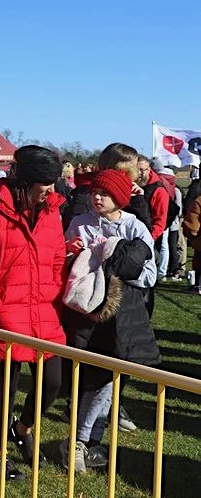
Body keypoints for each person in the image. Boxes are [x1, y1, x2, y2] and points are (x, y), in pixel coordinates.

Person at [62, 169, 159, 472]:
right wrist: (75, 255)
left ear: (119, 197)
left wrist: (113, 265)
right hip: (83, 316)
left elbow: (149, 275)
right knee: (85, 379)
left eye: (104, 193)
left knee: (109, 379)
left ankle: (87, 442)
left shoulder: (135, 227)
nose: (97, 197)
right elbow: (66, 263)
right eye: (94, 192)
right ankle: (82, 442)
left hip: (120, 318)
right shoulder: (80, 224)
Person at [0, 145, 66, 481]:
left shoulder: (52, 213)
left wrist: (52, 289)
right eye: (44, 183)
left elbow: (58, 258)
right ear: (26, 181)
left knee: (54, 381)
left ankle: (22, 427)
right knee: (7, 386)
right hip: (7, 313)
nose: (50, 189)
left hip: (43, 310)